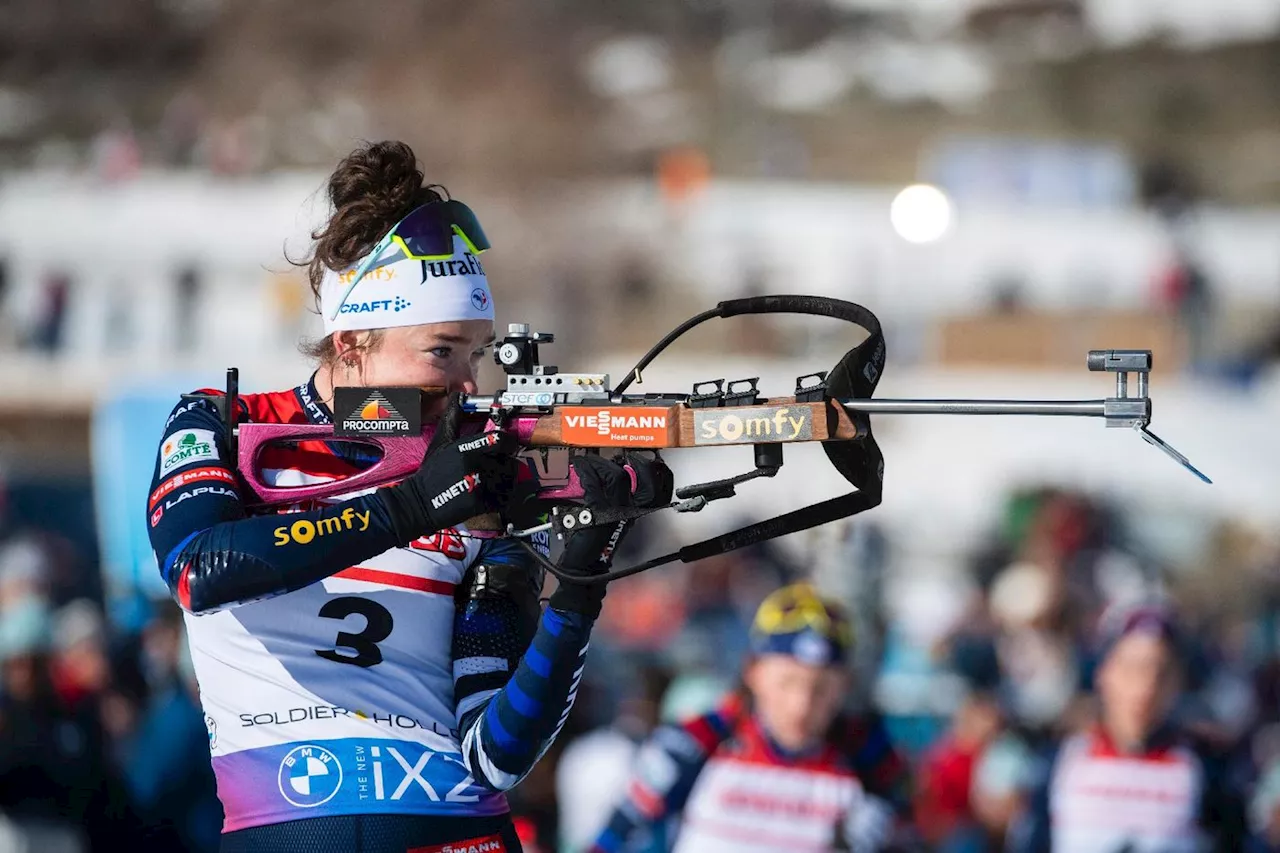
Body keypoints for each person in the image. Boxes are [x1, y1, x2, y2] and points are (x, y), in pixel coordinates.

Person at [145, 140, 672, 852]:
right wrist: (414, 505)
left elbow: (500, 753)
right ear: (355, 338)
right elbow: (199, 567)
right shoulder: (227, 423)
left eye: (475, 355)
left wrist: (580, 587)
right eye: (441, 350)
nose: (467, 384)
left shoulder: (481, 470)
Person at [588, 582, 910, 853]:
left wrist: (887, 836)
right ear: (753, 672)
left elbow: (916, 832)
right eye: (787, 682)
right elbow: (612, 841)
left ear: (846, 685)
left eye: (822, 688)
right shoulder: (695, 742)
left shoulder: (867, 752)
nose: (801, 704)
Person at [1007, 600, 1248, 853]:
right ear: (1104, 674)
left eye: (1161, 673)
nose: (1146, 688)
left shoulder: (1206, 768)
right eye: (1132, 669)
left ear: (1177, 682)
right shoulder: (1059, 762)